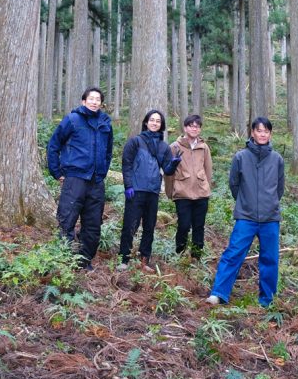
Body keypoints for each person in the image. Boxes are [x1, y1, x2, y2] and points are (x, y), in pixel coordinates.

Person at [206, 117, 285, 307]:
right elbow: (234, 184)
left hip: (270, 217)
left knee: (270, 258)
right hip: (246, 217)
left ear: (270, 134)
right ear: (252, 133)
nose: (262, 134)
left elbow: (280, 187)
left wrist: (270, 203)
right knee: (233, 253)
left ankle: (267, 299)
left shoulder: (277, 159)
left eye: (266, 131)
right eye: (259, 130)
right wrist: (245, 202)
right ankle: (219, 293)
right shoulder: (240, 157)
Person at [47, 87, 114, 270]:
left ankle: (85, 262)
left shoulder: (105, 123)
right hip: (75, 178)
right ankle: (65, 260)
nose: (94, 102)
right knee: (66, 220)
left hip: (96, 182)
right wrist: (57, 171)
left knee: (93, 224)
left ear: (101, 103)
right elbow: (54, 145)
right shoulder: (72, 119)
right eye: (91, 98)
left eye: (98, 99)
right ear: (84, 101)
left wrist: (102, 172)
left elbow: (108, 152)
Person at [118, 110, 181, 271]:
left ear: (161, 125)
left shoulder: (163, 147)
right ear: (146, 122)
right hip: (136, 190)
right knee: (130, 225)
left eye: (158, 121)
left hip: (152, 191)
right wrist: (128, 186)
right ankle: (124, 259)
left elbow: (167, 170)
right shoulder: (135, 142)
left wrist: (173, 163)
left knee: (149, 226)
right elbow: (126, 164)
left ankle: (144, 259)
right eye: (151, 120)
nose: (154, 123)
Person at [167, 114, 213, 259]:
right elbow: (169, 172)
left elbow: (208, 169)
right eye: (191, 126)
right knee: (184, 225)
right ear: (185, 127)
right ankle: (179, 254)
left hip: (201, 193)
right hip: (182, 193)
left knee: (199, 226)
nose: (194, 129)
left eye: (197, 126)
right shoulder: (174, 147)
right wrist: (170, 192)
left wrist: (207, 187)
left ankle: (196, 256)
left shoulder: (203, 147)